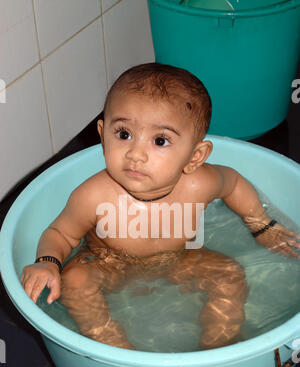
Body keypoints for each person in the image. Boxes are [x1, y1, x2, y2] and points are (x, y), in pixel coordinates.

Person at [21, 63, 300, 350]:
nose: (136, 154)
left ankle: (220, 345)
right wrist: (48, 263)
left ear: (195, 156)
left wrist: (261, 224)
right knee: (75, 281)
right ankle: (115, 349)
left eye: (160, 140)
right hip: (109, 263)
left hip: (179, 259)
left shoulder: (198, 185)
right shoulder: (94, 195)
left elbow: (234, 184)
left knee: (229, 273)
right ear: (103, 136)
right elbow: (61, 233)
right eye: (124, 134)